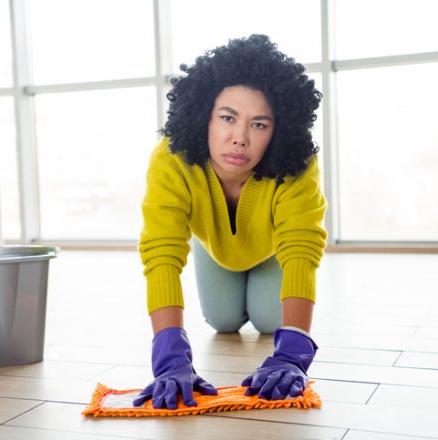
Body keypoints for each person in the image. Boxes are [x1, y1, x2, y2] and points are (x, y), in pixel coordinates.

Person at [134, 34, 328, 410]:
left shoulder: (298, 165)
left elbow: (301, 248)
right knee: (223, 320)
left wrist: (293, 353)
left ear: (277, 130)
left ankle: (261, 292)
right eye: (227, 118)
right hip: (215, 247)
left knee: (271, 320)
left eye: (259, 124)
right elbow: (161, 250)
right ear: (203, 115)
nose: (239, 138)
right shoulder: (170, 160)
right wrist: (169, 355)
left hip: (274, 250)